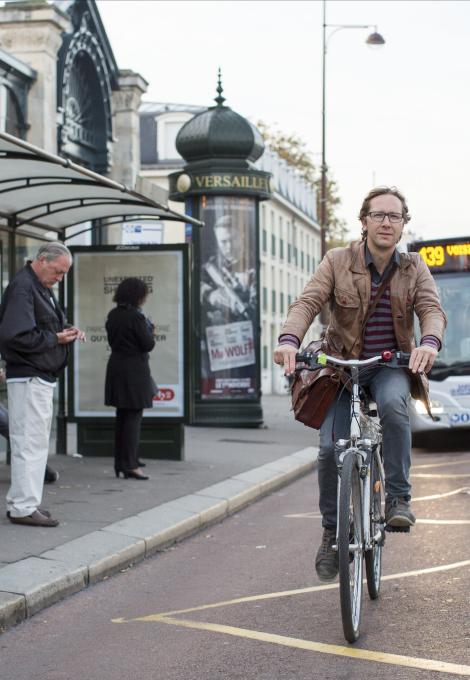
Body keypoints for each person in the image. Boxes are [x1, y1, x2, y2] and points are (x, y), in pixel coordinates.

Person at [274, 186, 447, 581]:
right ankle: (331, 532)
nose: (387, 222)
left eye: (395, 216)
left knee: (394, 408)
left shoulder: (414, 267)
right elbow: (308, 302)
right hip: (340, 367)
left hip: (390, 365)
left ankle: (398, 499)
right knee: (326, 449)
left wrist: (430, 344)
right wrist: (289, 340)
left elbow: (431, 311)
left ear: (403, 225)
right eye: (379, 215)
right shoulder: (337, 261)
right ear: (364, 221)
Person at [0, 242, 85, 527]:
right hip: (30, 375)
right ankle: (23, 507)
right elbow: (16, 336)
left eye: (63, 274)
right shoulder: (25, 287)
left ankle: (26, 503)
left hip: (36, 376)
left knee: (33, 443)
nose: (60, 278)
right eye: (58, 271)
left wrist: (67, 331)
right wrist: (57, 339)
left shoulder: (38, 287)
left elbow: (37, 328)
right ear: (42, 260)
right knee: (30, 443)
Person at [105, 277, 156, 481]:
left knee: (122, 417)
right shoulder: (136, 317)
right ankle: (131, 465)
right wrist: (151, 331)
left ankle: (122, 462)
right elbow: (147, 344)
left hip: (117, 367)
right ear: (137, 295)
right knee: (133, 418)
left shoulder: (114, 314)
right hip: (134, 370)